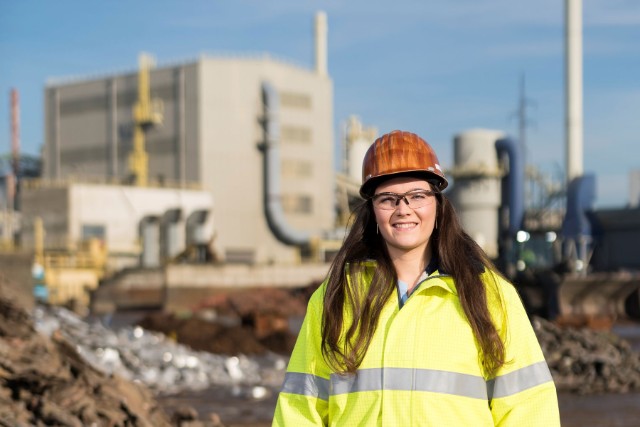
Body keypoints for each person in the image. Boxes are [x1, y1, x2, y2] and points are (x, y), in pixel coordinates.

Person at [273, 130, 560, 426]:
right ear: (372, 210)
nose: (403, 209)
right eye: (388, 199)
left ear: (438, 203)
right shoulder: (337, 298)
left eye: (417, 196)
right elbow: (299, 408)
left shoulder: (488, 295)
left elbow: (529, 407)